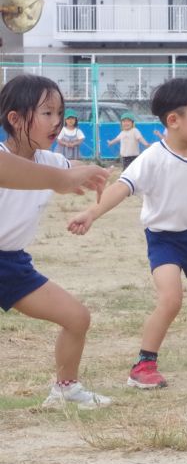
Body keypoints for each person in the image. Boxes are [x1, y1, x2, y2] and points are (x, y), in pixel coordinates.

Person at [68, 78, 187, 389]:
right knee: (171, 300)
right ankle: (144, 364)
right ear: (174, 120)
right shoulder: (153, 158)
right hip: (164, 241)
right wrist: (91, 213)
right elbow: (121, 188)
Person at [0, 75, 112, 410]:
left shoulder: (49, 160)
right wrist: (65, 178)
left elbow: (69, 167)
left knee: (77, 318)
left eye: (59, 113)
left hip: (13, 265)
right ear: (15, 119)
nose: (57, 122)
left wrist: (89, 172)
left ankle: (65, 389)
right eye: (46, 113)